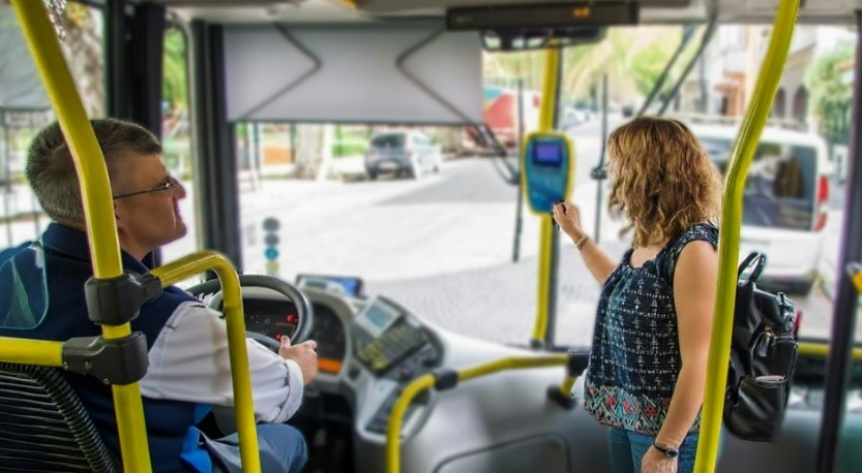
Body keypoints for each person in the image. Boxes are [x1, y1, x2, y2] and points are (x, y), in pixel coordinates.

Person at [0, 119, 318, 473]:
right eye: (163, 184)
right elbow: (280, 395)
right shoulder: (161, 320)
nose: (180, 192)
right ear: (114, 210)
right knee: (288, 439)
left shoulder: (8, 267)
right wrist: (296, 364)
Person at [552, 116, 722, 473]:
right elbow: (622, 283)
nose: (614, 174)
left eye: (621, 163)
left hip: (669, 432)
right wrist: (577, 235)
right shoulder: (654, 237)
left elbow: (701, 359)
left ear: (648, 171)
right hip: (630, 420)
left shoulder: (693, 249)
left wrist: (666, 447)